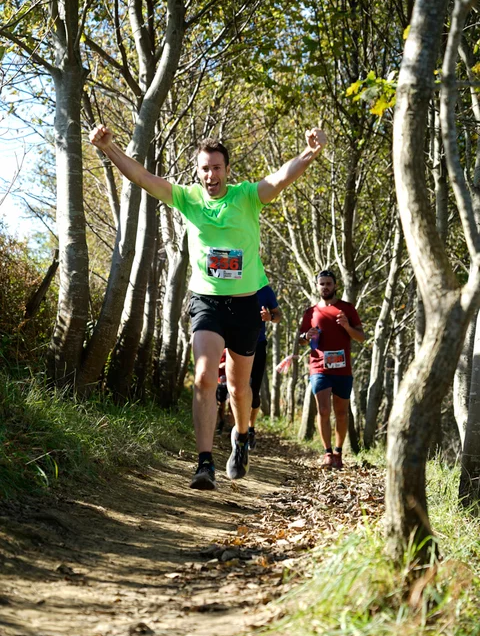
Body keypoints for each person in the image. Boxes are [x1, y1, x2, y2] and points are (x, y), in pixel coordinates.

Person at [89, 124, 327, 491]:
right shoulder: (188, 198)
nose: (211, 175)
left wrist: (310, 152)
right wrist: (109, 147)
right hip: (206, 301)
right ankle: (204, 463)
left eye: (217, 168)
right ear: (197, 171)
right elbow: (142, 177)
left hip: (245, 304)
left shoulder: (247, 196)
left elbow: (281, 178)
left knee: (239, 389)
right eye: (205, 168)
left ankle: (241, 435)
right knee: (203, 376)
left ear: (227, 170)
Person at [298, 270, 364, 470]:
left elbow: (361, 337)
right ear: (317, 286)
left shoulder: (347, 309)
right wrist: (306, 336)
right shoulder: (310, 312)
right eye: (322, 284)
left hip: (342, 369)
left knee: (341, 413)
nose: (325, 287)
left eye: (328, 283)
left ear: (335, 285)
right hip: (319, 367)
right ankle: (327, 453)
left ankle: (338, 452)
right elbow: (301, 340)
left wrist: (347, 326)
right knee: (324, 410)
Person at [248, 285, 282, 451]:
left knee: (254, 391)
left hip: (258, 344)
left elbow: (278, 316)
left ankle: (250, 429)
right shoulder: (234, 282)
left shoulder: (265, 290)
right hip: (234, 343)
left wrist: (270, 317)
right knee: (236, 389)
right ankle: (238, 428)